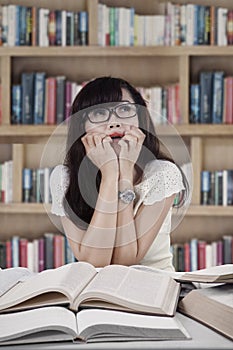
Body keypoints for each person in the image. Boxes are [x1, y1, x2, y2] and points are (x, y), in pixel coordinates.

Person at [50, 76, 189, 271]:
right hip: (96, 292)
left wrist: (124, 172)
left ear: (140, 117)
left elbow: (126, 261)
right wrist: (109, 174)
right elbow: (93, 263)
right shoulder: (64, 178)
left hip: (154, 287)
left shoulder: (163, 174)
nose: (114, 122)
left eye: (124, 109)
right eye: (98, 113)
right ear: (82, 127)